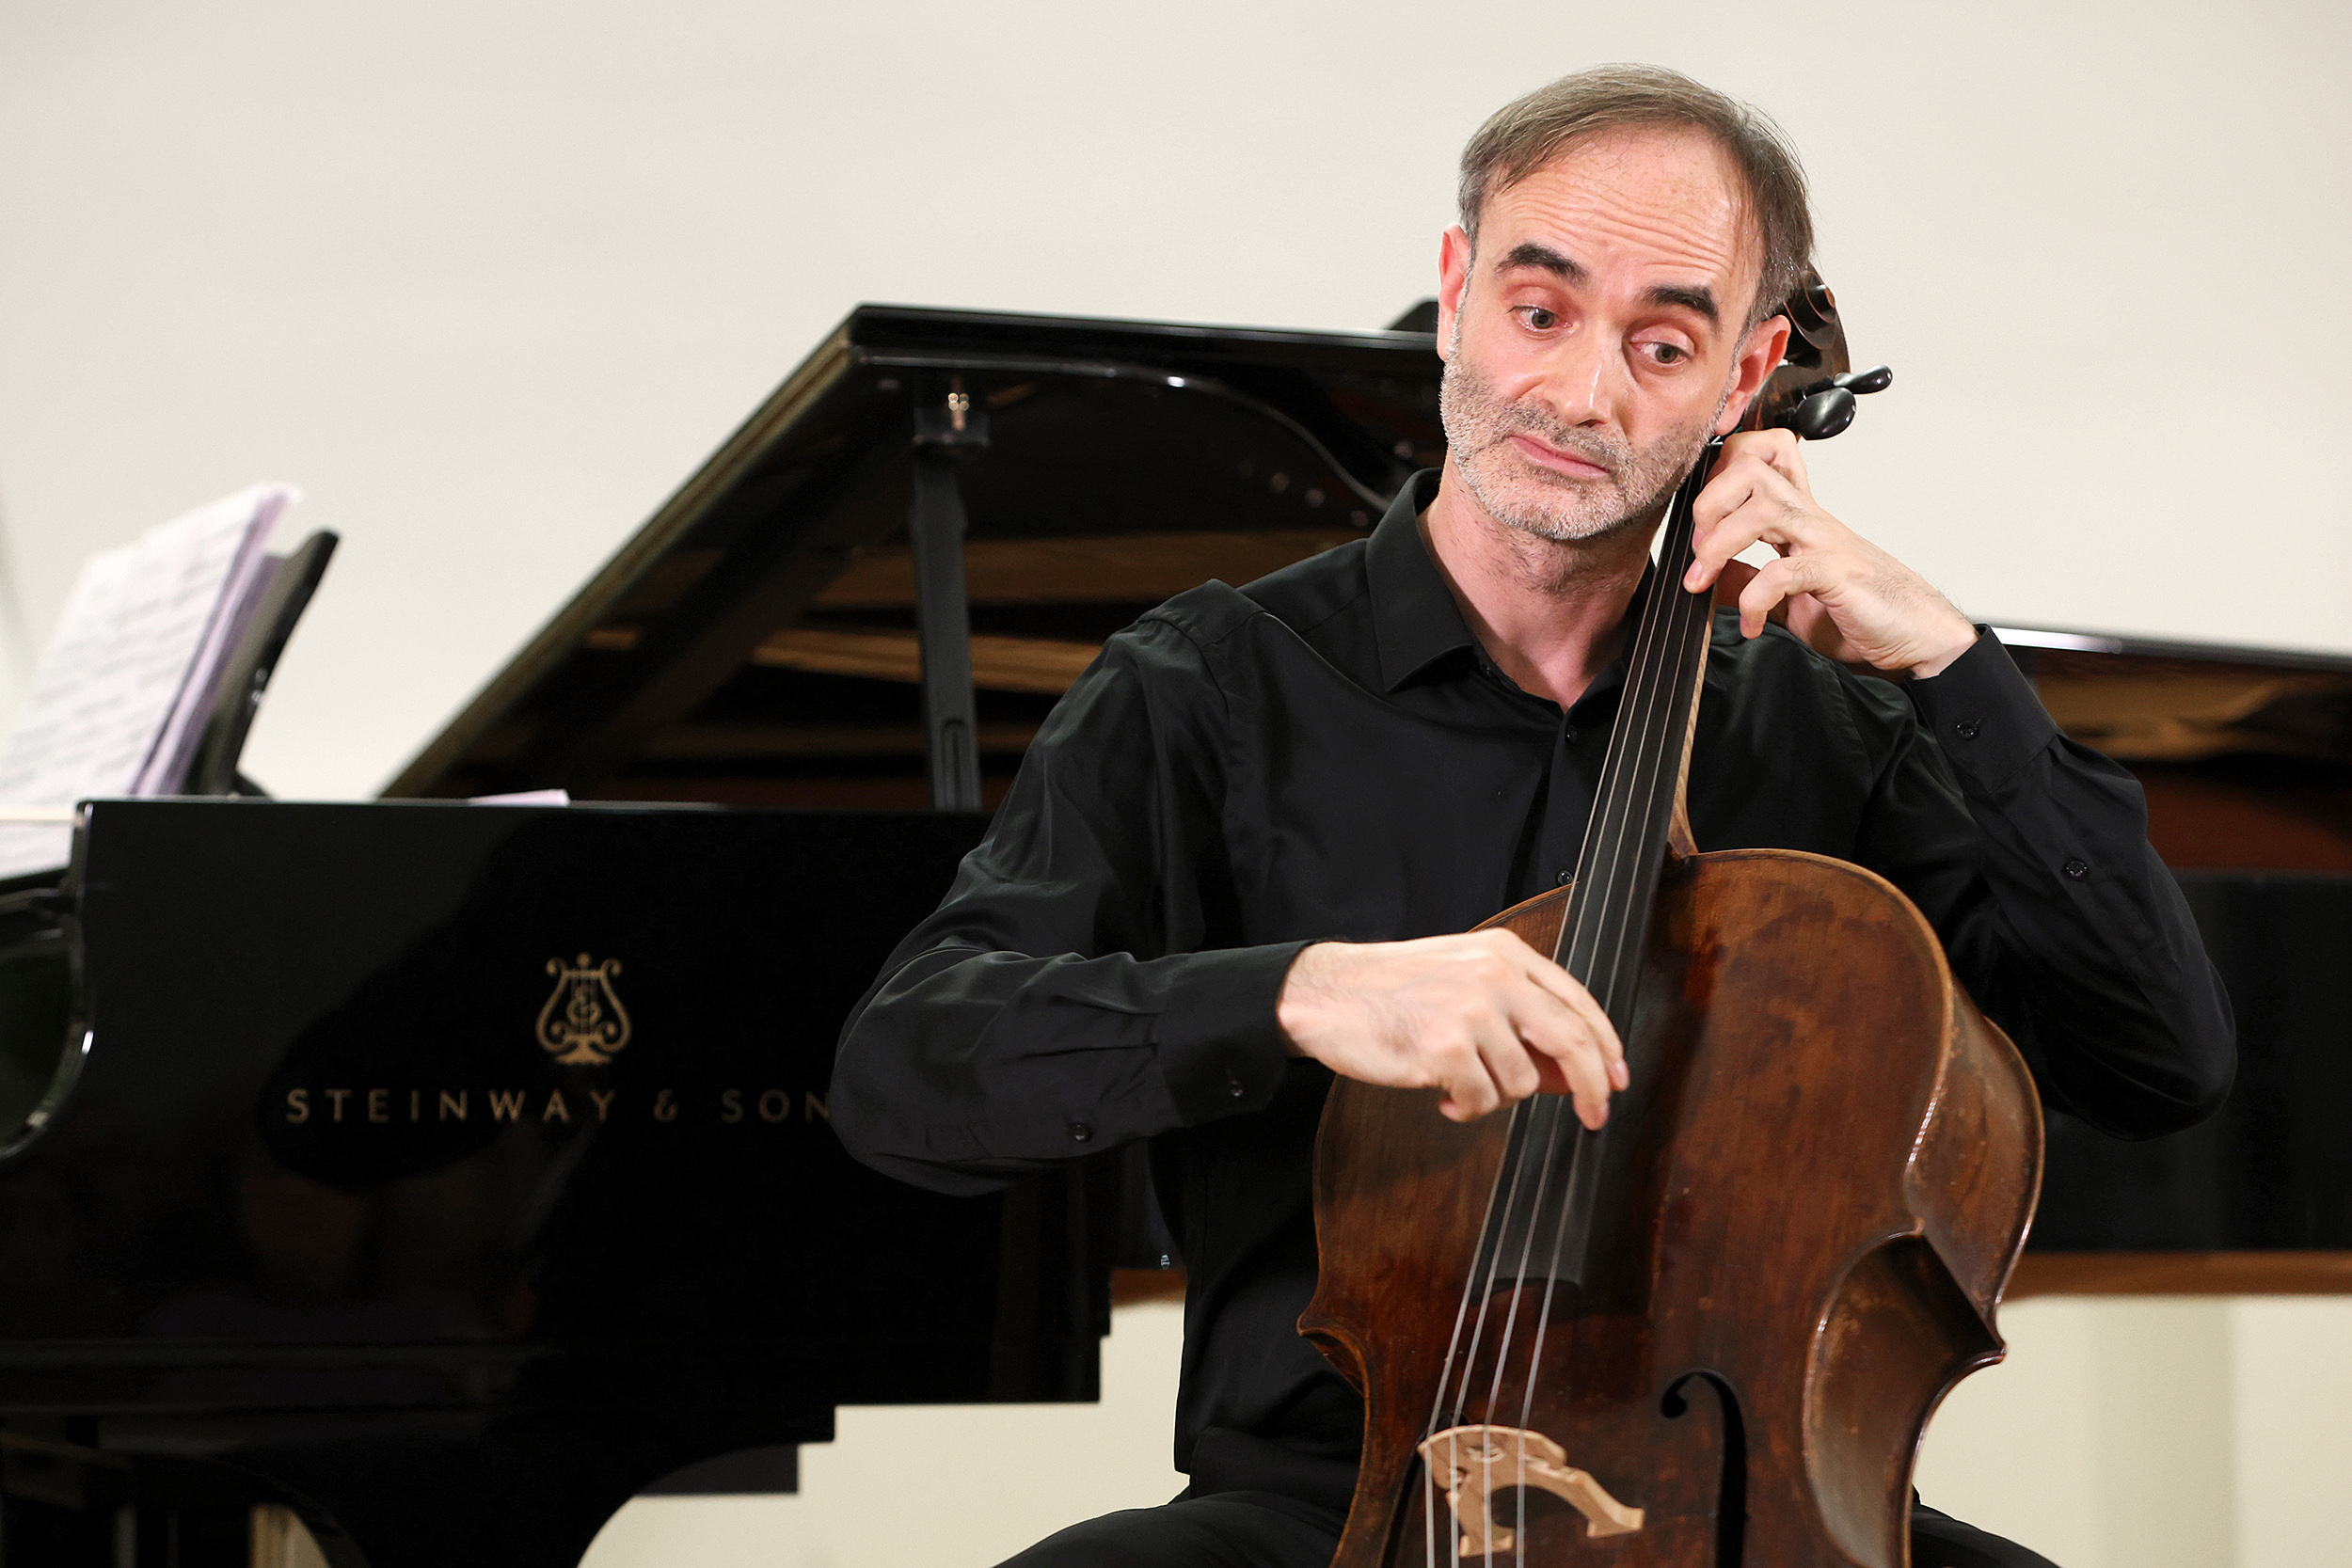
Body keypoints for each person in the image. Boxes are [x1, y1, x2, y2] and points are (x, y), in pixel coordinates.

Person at [830, 64, 2233, 1568]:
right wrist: (1303, 993)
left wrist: (1956, 667)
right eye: (1541, 310)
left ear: (1748, 376)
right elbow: (905, 1069)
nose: (1581, 395)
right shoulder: (1214, 688)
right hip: (1332, 1511)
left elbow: (2158, 1061)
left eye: (1664, 343)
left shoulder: (1834, 731)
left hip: (1743, 1501)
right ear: (1456, 294)